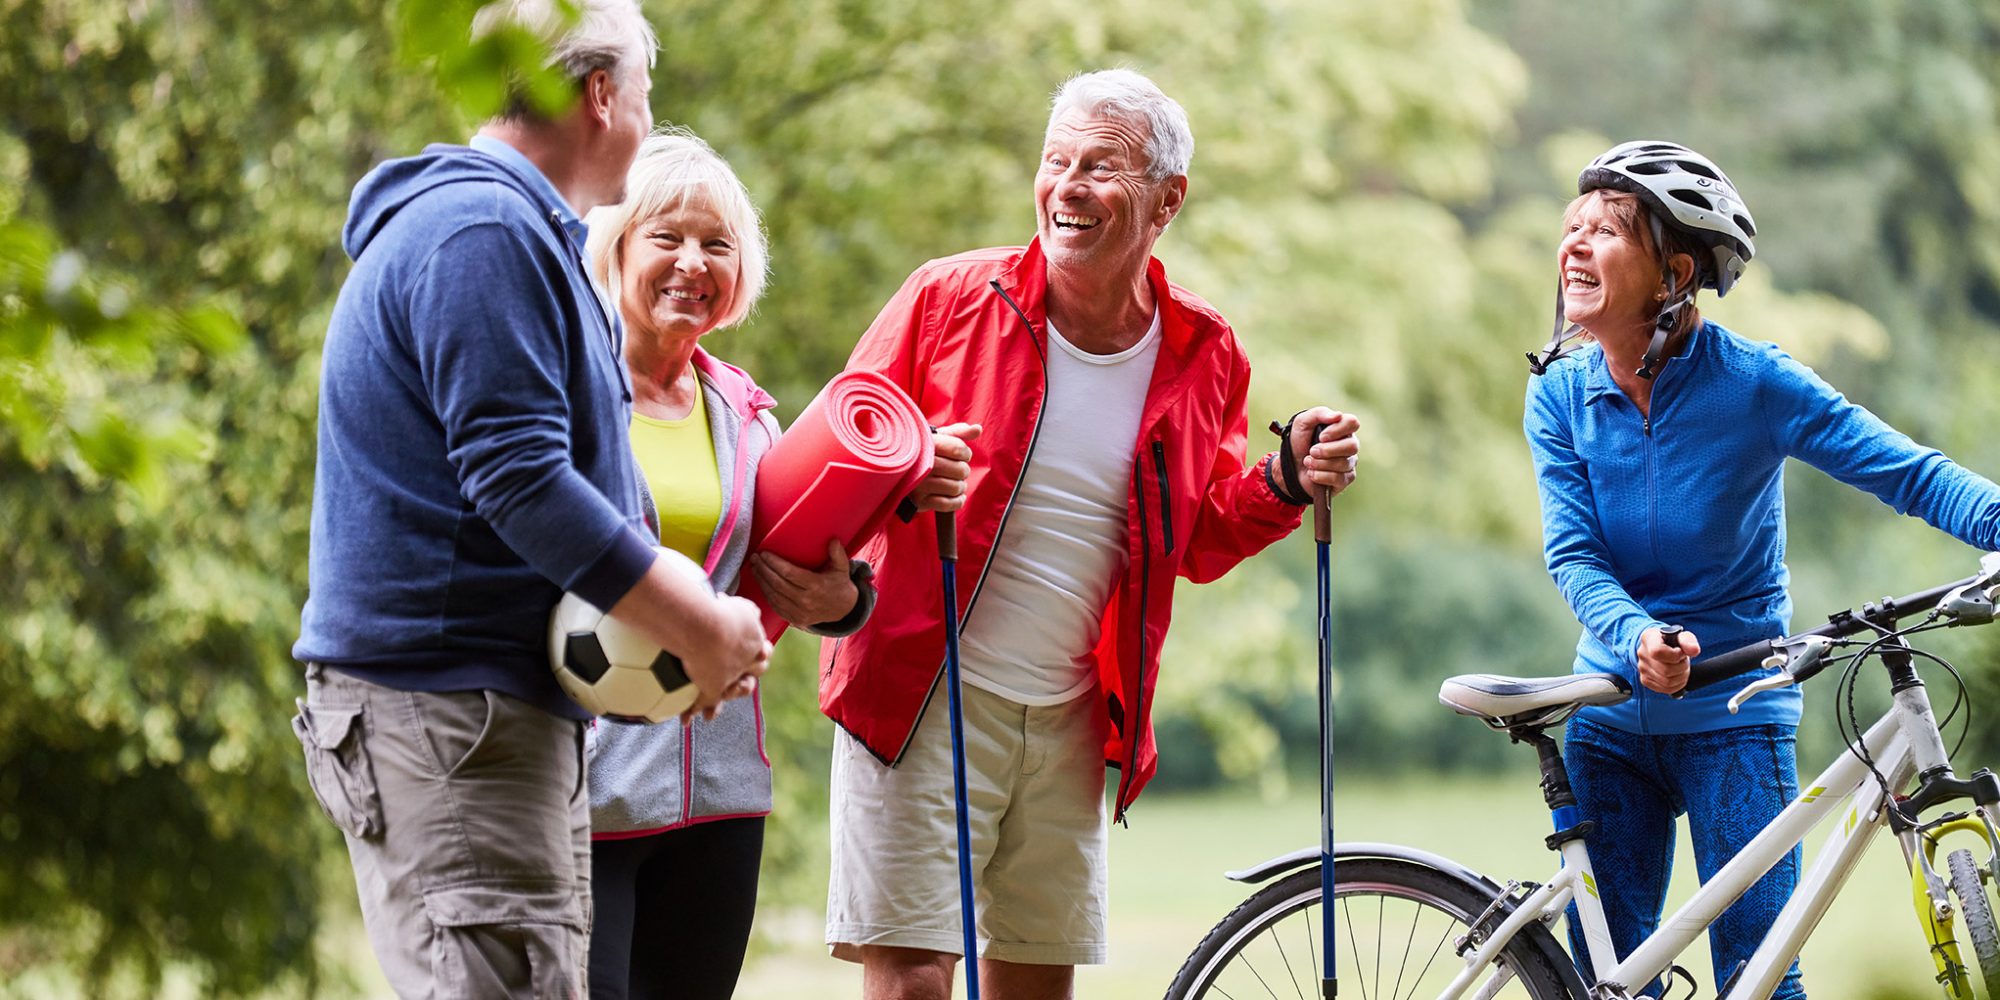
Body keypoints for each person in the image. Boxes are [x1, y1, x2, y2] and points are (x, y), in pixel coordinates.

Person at [820, 68, 1362, 999]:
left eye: (1099, 167)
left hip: (1074, 714)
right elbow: (832, 457)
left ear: (1166, 201)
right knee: (911, 979)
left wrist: (1282, 480)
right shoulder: (948, 300)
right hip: (922, 687)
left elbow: (1191, 538)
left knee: (1037, 987)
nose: (1065, 186)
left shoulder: (1204, 351)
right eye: (1055, 160)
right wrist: (910, 477)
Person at [290, 5, 771, 996]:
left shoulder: (509, 230)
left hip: (491, 718)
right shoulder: (480, 231)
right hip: (452, 721)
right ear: (600, 96)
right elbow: (520, 479)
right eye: (640, 97)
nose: (642, 123)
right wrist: (701, 627)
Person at [1524, 140, 2000, 999]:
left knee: (1761, 976)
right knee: (1608, 981)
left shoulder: (1754, 383)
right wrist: (1635, 638)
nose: (1576, 245)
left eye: (1607, 230)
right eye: (1573, 226)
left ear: (1672, 273)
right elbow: (1574, 554)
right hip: (1610, 715)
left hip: (1737, 715)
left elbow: (1906, 470)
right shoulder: (1557, 392)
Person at [579, 129, 876, 1000]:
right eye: (666, 237)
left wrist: (845, 597)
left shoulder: (746, 416)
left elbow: (808, 570)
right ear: (618, 246)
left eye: (717, 244)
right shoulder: (565, 392)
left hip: (718, 798)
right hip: (585, 794)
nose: (692, 263)